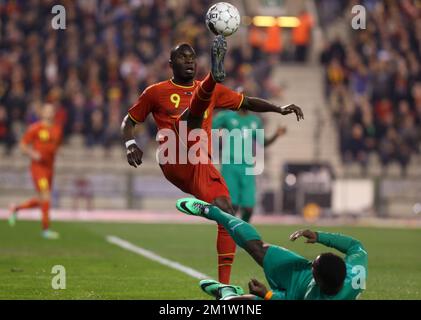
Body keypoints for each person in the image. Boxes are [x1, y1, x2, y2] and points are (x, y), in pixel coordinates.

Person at [121, 35, 304, 284]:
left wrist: (279, 109)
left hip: (200, 162)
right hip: (174, 155)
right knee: (189, 120)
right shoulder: (156, 92)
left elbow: (247, 101)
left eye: (192, 58)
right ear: (170, 63)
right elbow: (129, 121)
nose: (189, 61)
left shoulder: (217, 95)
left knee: (227, 213)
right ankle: (212, 78)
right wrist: (130, 143)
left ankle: (224, 288)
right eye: (182, 57)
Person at [176, 198, 368, 300]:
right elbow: (355, 246)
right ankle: (213, 212)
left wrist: (266, 294)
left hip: (291, 296)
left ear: (320, 282)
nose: (312, 267)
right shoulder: (356, 272)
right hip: (295, 272)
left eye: (314, 269)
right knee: (257, 248)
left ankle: (226, 292)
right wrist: (319, 236)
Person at [213, 104, 286, 222]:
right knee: (232, 206)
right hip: (230, 164)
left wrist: (276, 135)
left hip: (247, 166)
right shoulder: (226, 116)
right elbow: (208, 126)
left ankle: (243, 232)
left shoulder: (255, 120)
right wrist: (217, 135)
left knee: (248, 208)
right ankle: (229, 234)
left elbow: (263, 142)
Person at [8, 103, 62, 239]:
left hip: (50, 168)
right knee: (46, 196)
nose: (50, 113)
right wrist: (33, 154)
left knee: (43, 199)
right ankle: (45, 229)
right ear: (42, 113)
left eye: (52, 110)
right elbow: (22, 144)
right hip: (38, 168)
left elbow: (55, 147)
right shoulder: (36, 128)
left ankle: (16, 208)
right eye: (47, 110)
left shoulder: (57, 129)